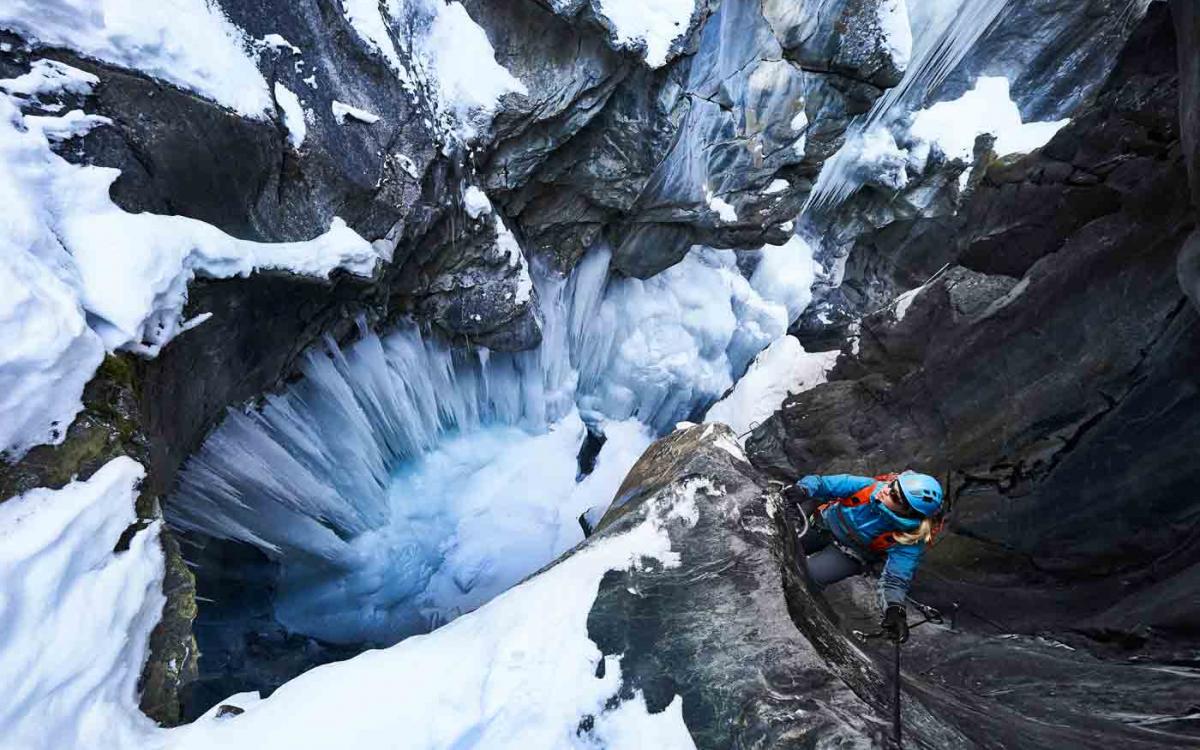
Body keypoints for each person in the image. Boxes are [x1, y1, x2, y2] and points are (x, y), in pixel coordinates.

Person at [787, 471, 944, 643]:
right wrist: (804, 489)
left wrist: (895, 610)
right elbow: (823, 483)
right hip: (822, 527)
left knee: (805, 579)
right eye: (893, 485)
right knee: (785, 544)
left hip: (850, 555)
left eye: (895, 496)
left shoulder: (910, 538)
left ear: (909, 513)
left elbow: (895, 580)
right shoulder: (867, 487)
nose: (887, 490)